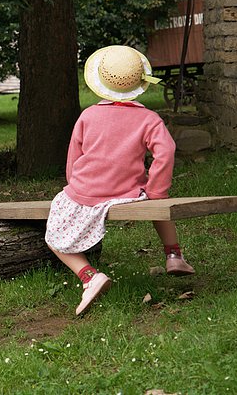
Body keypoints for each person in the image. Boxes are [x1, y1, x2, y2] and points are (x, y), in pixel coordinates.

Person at [45, 45, 195, 316]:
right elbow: (167, 151)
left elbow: (73, 157)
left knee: (53, 234)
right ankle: (174, 256)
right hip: (127, 192)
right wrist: (156, 189)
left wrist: (76, 186)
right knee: (157, 204)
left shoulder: (88, 116)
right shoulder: (149, 118)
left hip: (85, 192)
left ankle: (89, 275)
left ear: (100, 83)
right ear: (139, 83)